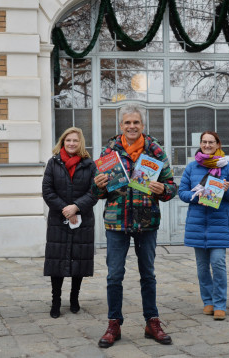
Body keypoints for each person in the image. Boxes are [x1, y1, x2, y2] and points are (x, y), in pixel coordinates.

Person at [92, 104, 177, 348]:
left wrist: (164, 190)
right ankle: (113, 324)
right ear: (121, 126)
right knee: (114, 275)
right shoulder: (109, 151)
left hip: (146, 220)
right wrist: (97, 185)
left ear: (142, 125)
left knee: (148, 274)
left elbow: (172, 185)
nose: (131, 127)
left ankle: (152, 322)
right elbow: (96, 191)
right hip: (117, 222)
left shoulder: (155, 150)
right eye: (127, 123)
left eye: (136, 123)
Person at [178, 131, 229, 321]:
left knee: (218, 263)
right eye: (204, 142)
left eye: (211, 142)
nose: (207, 145)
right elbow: (181, 192)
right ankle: (208, 301)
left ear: (217, 144)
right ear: (200, 144)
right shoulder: (191, 167)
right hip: (197, 224)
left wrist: (226, 189)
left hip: (219, 223)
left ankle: (220, 303)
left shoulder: (227, 167)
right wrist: (194, 196)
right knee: (202, 267)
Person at [42, 127, 98, 319]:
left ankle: (74, 298)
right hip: (59, 219)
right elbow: (47, 191)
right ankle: (55, 301)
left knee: (78, 260)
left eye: (75, 140)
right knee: (56, 261)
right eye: (68, 140)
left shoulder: (89, 164)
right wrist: (66, 210)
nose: (72, 144)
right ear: (62, 142)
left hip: (82, 220)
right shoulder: (53, 163)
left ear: (80, 143)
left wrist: (76, 207)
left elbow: (94, 192)